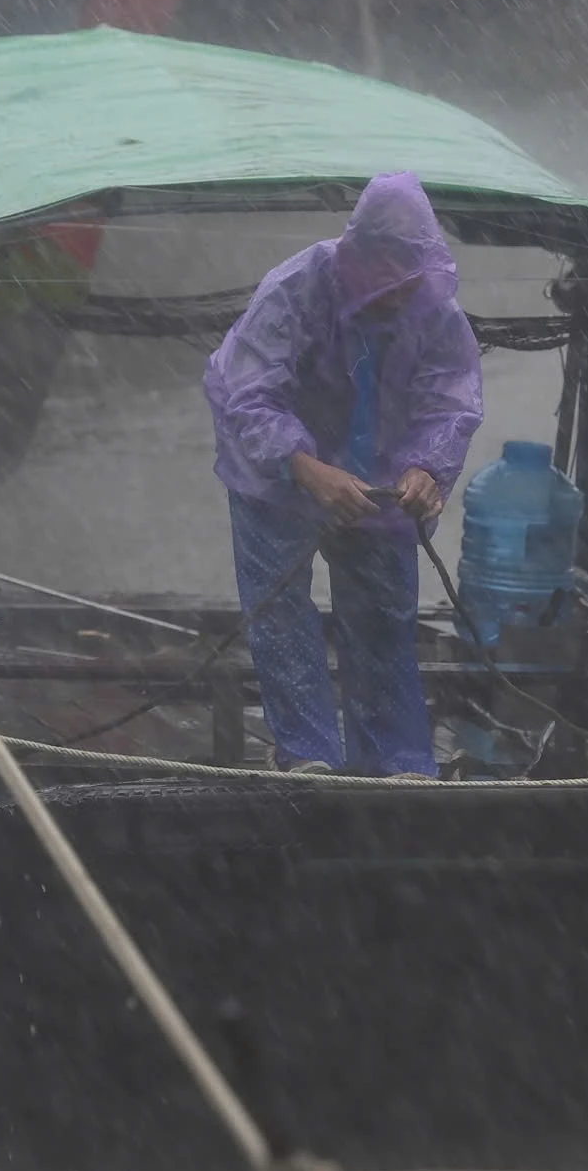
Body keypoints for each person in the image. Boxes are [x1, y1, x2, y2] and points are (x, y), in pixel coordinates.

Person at [203, 173, 483, 777]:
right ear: (357, 254)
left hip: (376, 481)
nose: (396, 296)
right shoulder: (295, 290)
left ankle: (394, 761)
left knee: (382, 614)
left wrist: (426, 468)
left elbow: (449, 404)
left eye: (407, 281)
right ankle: (307, 755)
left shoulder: (433, 310)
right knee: (281, 614)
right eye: (386, 279)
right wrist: (307, 468)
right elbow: (248, 396)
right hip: (276, 474)